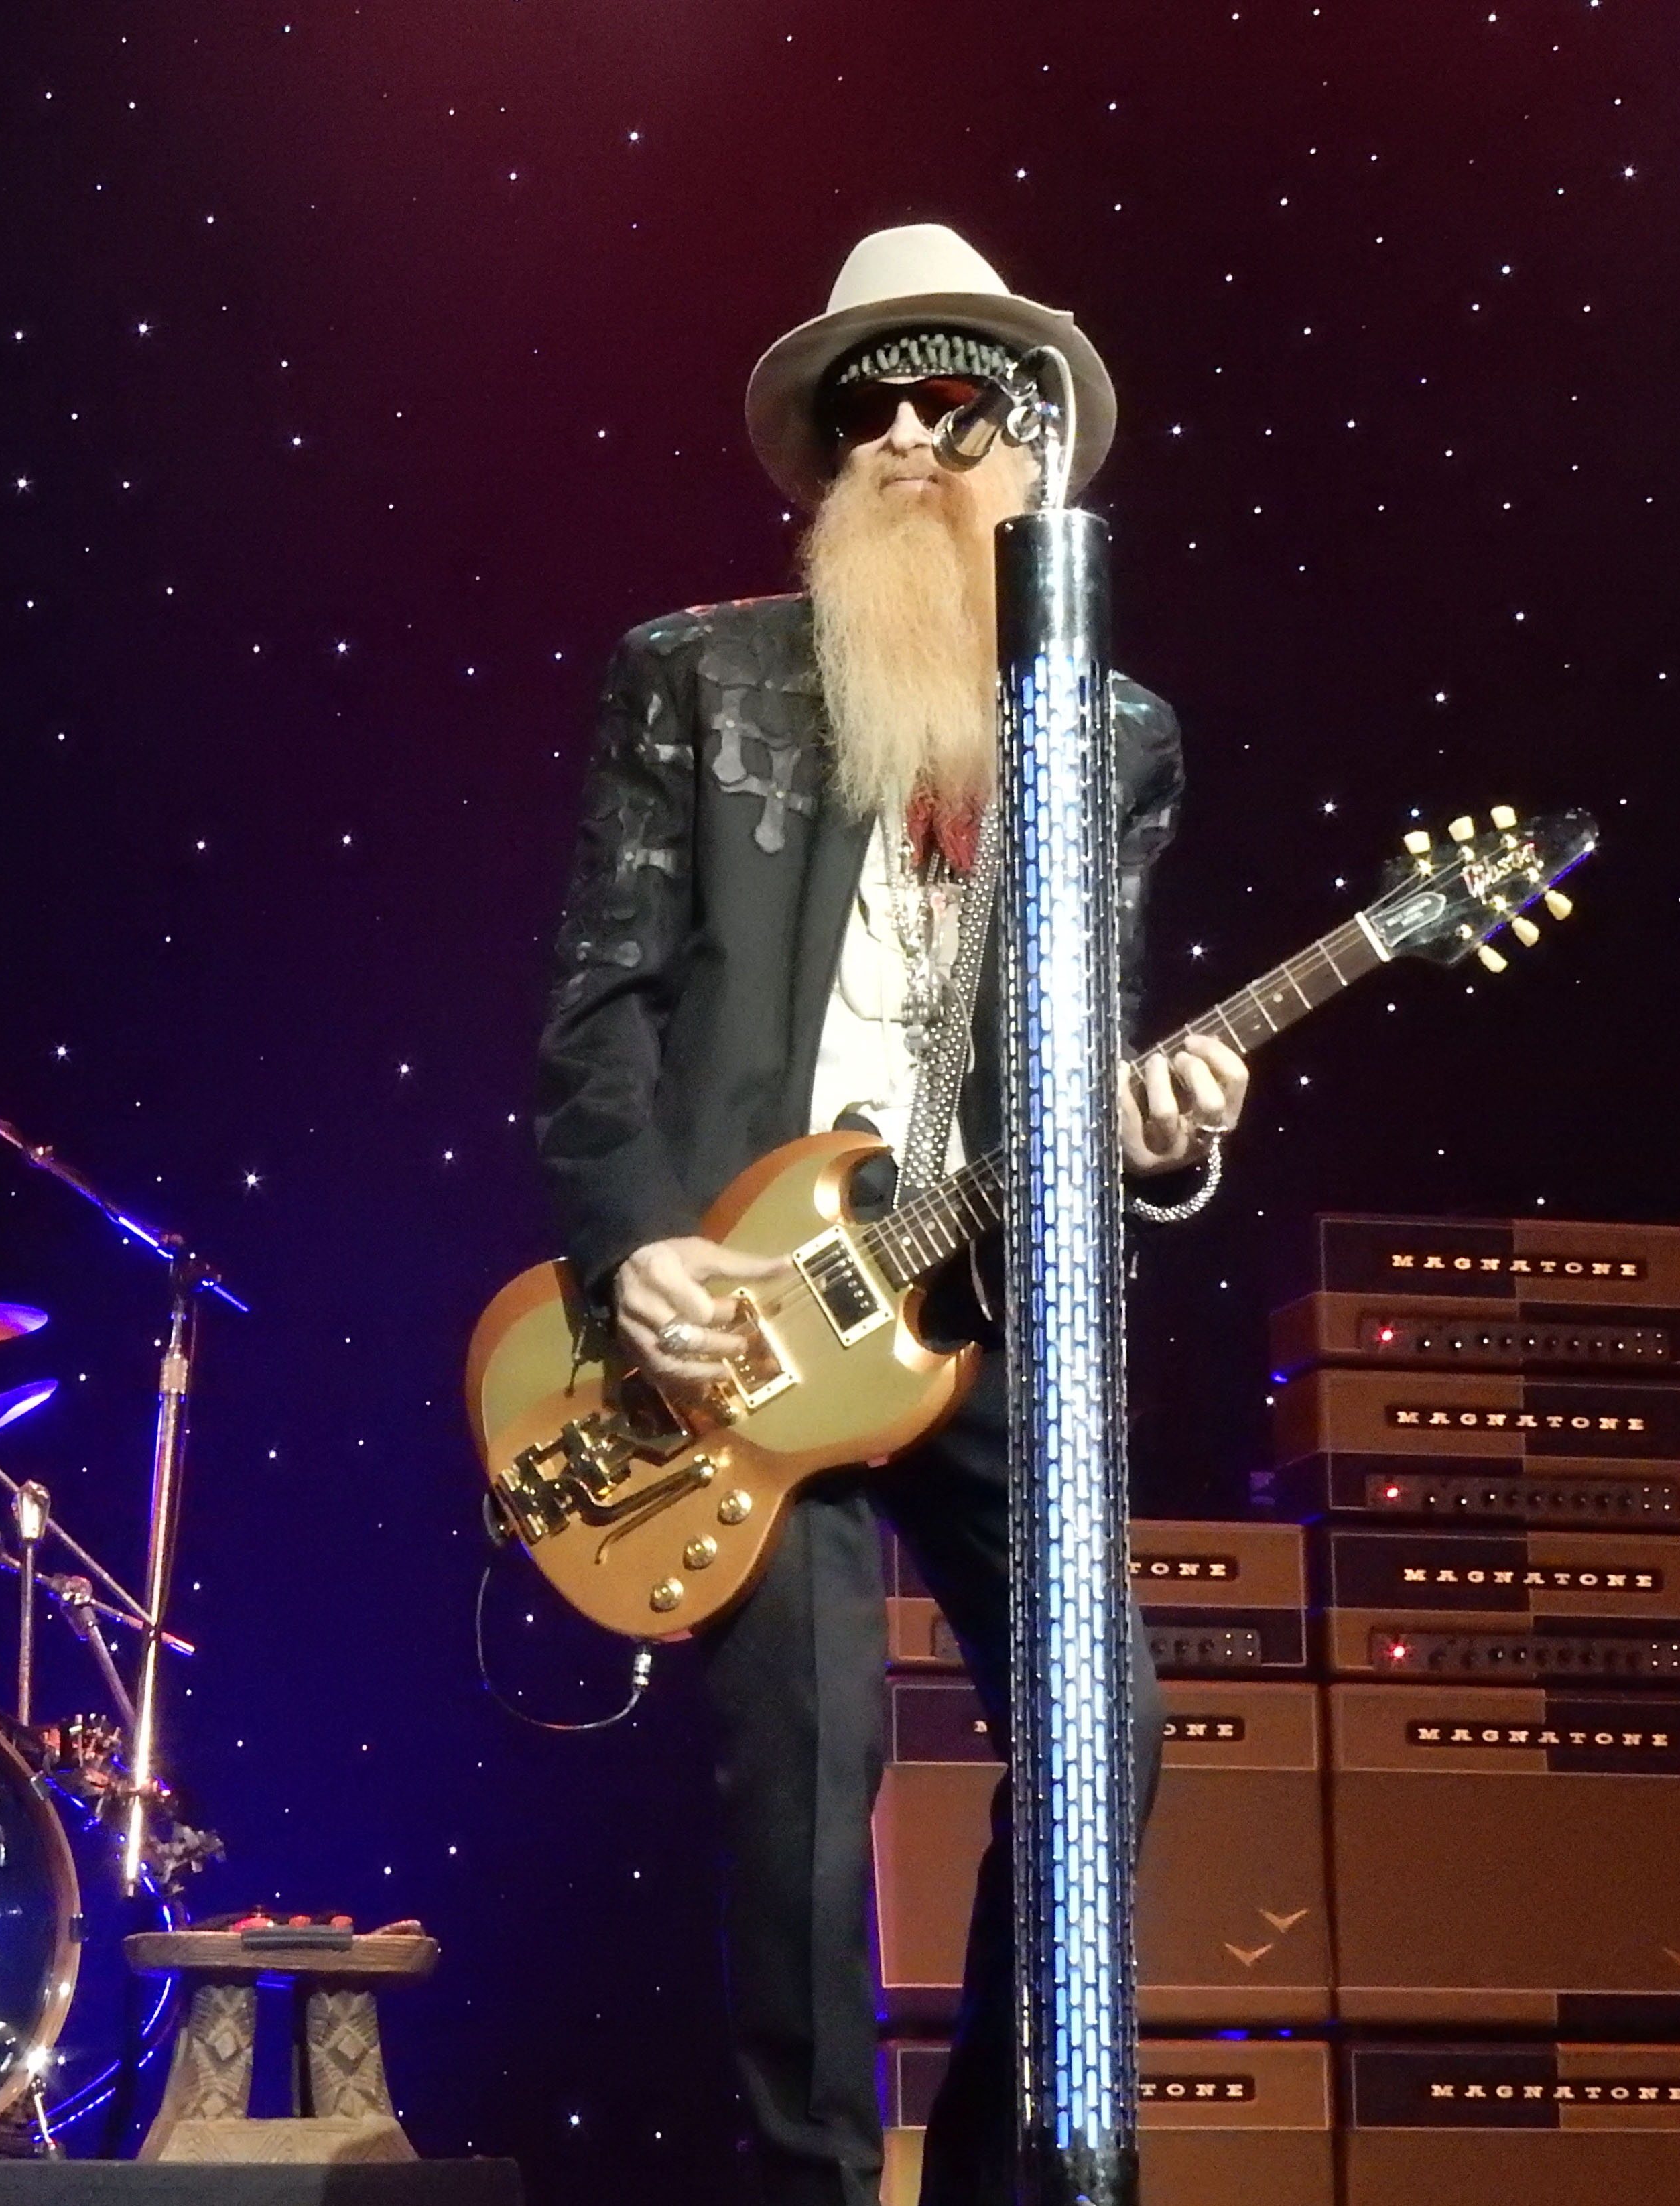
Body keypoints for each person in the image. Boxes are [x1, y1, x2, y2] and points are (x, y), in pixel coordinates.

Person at [532, 225, 1250, 2206]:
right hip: (744, 1314)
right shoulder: (696, 676)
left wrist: (1159, 1134)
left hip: (973, 1295)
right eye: (874, 408)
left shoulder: (1112, 735)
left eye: (961, 403)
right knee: (806, 1773)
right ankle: (812, 2188)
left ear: (1039, 449)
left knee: (1105, 1733)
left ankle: (1007, 2173)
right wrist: (637, 1242)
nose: (915, 437)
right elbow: (596, 1006)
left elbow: (1083, 1058)